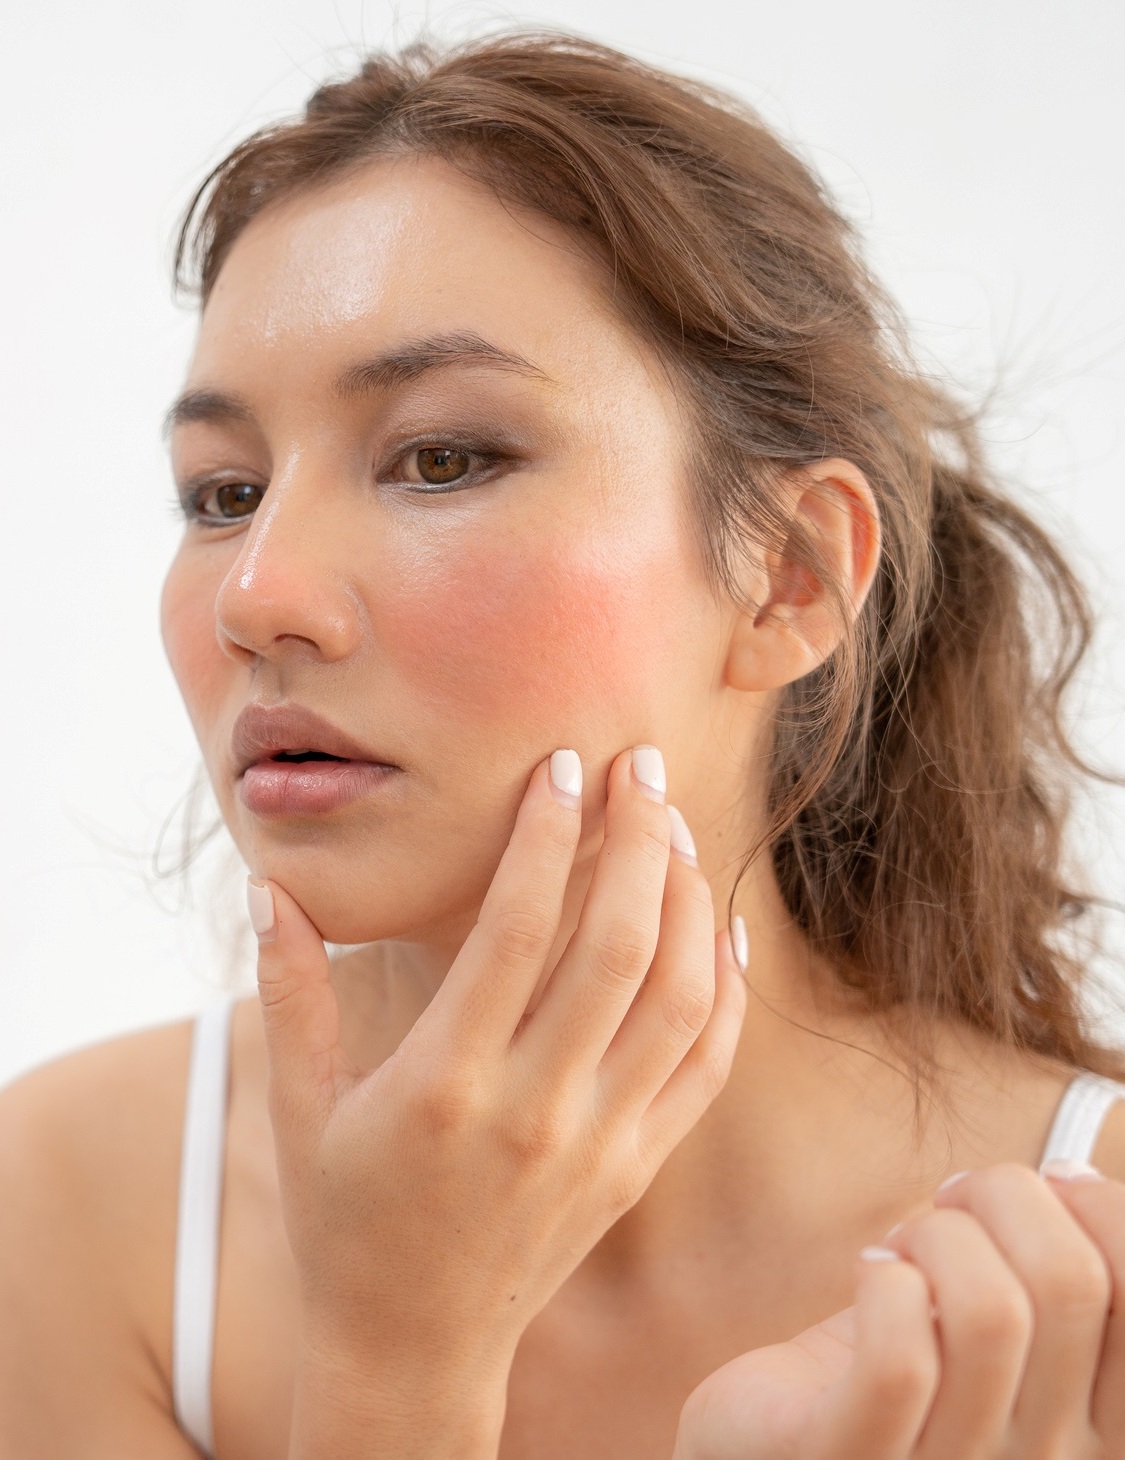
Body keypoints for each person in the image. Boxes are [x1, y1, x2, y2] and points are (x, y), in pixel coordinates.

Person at [2, 29, 1123, 1460]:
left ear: (789, 576)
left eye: (444, 457)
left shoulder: (1081, 1275)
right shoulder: (70, 1207)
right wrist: (392, 1363)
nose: (256, 593)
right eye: (222, 491)